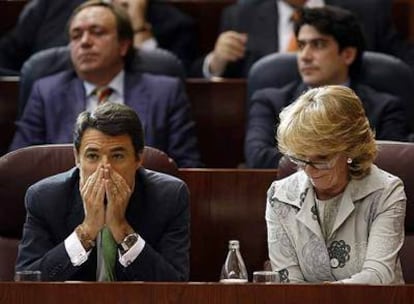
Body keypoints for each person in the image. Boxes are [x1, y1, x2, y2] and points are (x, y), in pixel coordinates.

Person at [9, 0, 202, 168]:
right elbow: (20, 166)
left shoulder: (165, 93)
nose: (84, 42)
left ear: (123, 45)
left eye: (97, 32)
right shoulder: (46, 93)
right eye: (76, 35)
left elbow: (186, 166)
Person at [15, 102, 190, 281]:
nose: (105, 168)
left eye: (117, 156)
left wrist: (122, 230)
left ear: (139, 159)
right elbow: (28, 283)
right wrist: (86, 231)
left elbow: (175, 285)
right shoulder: (45, 198)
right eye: (92, 156)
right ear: (76, 157)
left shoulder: (169, 197)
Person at [266, 85, 406, 284]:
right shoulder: (279, 195)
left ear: (350, 150)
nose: (309, 170)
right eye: (301, 158)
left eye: (321, 159)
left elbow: (377, 277)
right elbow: (288, 282)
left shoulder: (385, 191)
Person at [244, 5, 410, 168]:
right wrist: (334, 160)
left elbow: (391, 163)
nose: (305, 56)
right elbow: (259, 158)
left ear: (348, 55)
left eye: (318, 45)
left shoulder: (385, 108)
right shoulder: (269, 102)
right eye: (301, 45)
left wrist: (314, 159)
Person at [190, 0, 414, 78]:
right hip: (271, 127)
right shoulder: (240, 15)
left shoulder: (367, 11)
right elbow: (199, 76)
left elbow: (400, 69)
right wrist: (216, 61)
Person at [0, 0, 196, 75]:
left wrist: (137, 26)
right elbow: (6, 59)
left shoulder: (175, 23)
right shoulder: (49, 7)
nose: (85, 41)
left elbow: (169, 82)